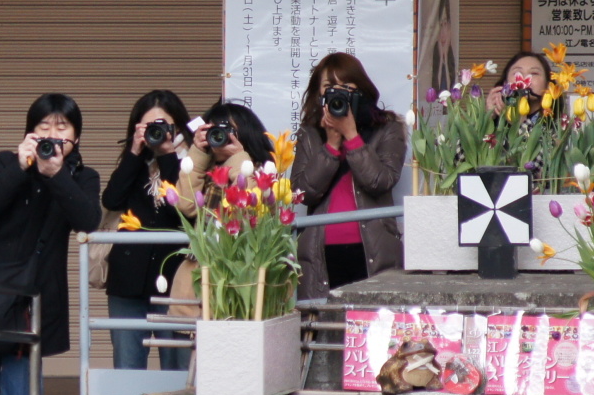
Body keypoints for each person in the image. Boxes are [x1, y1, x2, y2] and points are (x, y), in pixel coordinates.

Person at [0, 93, 101, 395]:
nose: (52, 134)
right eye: (43, 125)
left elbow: (87, 222)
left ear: (77, 135)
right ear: (29, 132)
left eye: (62, 127)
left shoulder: (82, 177)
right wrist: (20, 169)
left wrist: (57, 175)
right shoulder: (7, 163)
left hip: (30, 300)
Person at [291, 52, 407, 301]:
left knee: (368, 330)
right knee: (325, 329)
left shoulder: (387, 128)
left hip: (372, 250)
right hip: (320, 253)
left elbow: (380, 181)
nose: (337, 94)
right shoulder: (310, 134)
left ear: (360, 89)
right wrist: (332, 144)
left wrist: (352, 136)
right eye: (329, 87)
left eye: (345, 86)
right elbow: (302, 192)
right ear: (318, 94)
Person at [101, 90, 192, 370]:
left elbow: (183, 209)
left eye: (164, 126)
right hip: (127, 283)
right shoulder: (133, 165)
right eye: (149, 126)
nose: (157, 132)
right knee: (127, 366)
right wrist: (134, 152)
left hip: (175, 281)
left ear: (178, 128)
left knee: (176, 368)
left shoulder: (191, 164)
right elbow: (112, 200)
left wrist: (167, 155)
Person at [168, 101, 274, 319]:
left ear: (246, 134)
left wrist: (239, 158)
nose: (220, 137)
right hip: (199, 283)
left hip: (242, 283)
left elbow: (255, 206)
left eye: (228, 131)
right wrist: (197, 153)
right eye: (214, 130)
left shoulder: (263, 172)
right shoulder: (205, 171)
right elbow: (186, 205)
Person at [485, 51, 554, 124]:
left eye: (534, 73)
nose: (523, 79)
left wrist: (518, 123)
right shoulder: (495, 122)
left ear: (548, 84)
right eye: (517, 73)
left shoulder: (560, 124)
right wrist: (488, 117)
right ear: (505, 83)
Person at [431, 0, 456, 92]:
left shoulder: (451, 57)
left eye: (445, 23)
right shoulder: (434, 57)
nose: (442, 32)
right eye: (440, 25)